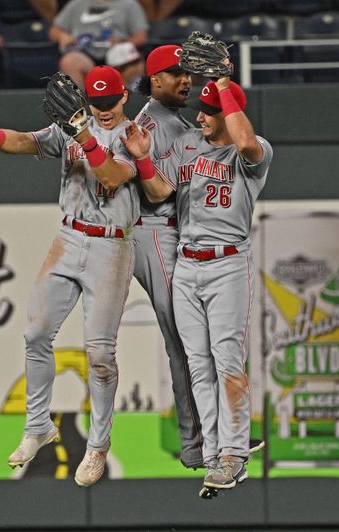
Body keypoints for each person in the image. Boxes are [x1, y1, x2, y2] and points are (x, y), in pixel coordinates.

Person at [0, 66, 139, 487]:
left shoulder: (136, 134)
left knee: (99, 355)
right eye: (96, 104)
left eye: (109, 102)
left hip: (111, 244)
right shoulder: (73, 124)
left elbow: (113, 177)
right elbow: (29, 142)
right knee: (36, 333)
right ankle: (37, 426)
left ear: (124, 99)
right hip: (70, 235)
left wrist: (82, 133)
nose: (103, 111)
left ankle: (97, 446)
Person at [123, 75, 274, 494]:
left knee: (228, 361)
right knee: (198, 365)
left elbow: (246, 144)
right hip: (187, 263)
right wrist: (143, 160)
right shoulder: (189, 144)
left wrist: (224, 85)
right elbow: (158, 194)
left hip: (228, 262)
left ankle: (235, 455)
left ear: (229, 113)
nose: (201, 117)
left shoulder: (252, 149)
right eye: (202, 110)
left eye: (210, 111)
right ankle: (214, 456)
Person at [131, 44, 204, 469]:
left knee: (194, 338)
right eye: (175, 73)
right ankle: (195, 443)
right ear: (154, 80)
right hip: (154, 229)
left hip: (169, 231)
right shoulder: (149, 124)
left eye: (188, 73)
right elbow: (155, 190)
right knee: (185, 339)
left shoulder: (173, 120)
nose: (185, 79)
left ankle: (204, 439)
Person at [48, 0, 148, 88]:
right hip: (85, 52)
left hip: (117, 53)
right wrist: (62, 36)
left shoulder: (129, 4)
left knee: (133, 60)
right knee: (70, 62)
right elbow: (54, 31)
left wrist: (122, 43)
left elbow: (141, 37)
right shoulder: (77, 3)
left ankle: (127, 102)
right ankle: (78, 106)